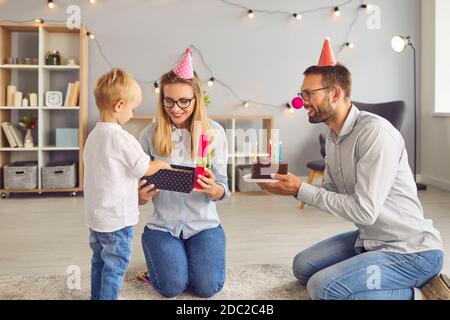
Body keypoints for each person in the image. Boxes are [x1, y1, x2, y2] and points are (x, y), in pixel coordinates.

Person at [259, 38, 449, 300]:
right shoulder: (334, 137)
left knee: (323, 288)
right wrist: (291, 189)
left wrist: (302, 189)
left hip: (411, 251)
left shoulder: (375, 134)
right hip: (370, 240)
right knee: (302, 266)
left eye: (308, 93)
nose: (302, 101)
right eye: (302, 93)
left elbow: (364, 210)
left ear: (335, 93)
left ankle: (422, 294)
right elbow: (331, 191)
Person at [138, 49, 230, 298]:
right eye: (168, 101)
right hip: (163, 226)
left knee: (208, 287)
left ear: (196, 99)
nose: (175, 108)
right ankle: (164, 261)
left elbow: (224, 187)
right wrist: (141, 196)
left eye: (183, 101)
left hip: (204, 225)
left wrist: (214, 189)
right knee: (171, 287)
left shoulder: (214, 134)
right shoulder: (149, 135)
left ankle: (187, 259)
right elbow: (134, 188)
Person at [84, 68, 170, 300]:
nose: (132, 114)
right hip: (117, 220)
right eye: (132, 108)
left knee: (99, 261)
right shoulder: (122, 138)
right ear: (119, 105)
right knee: (116, 266)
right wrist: (160, 164)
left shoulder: (93, 136)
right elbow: (144, 167)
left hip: (96, 218)